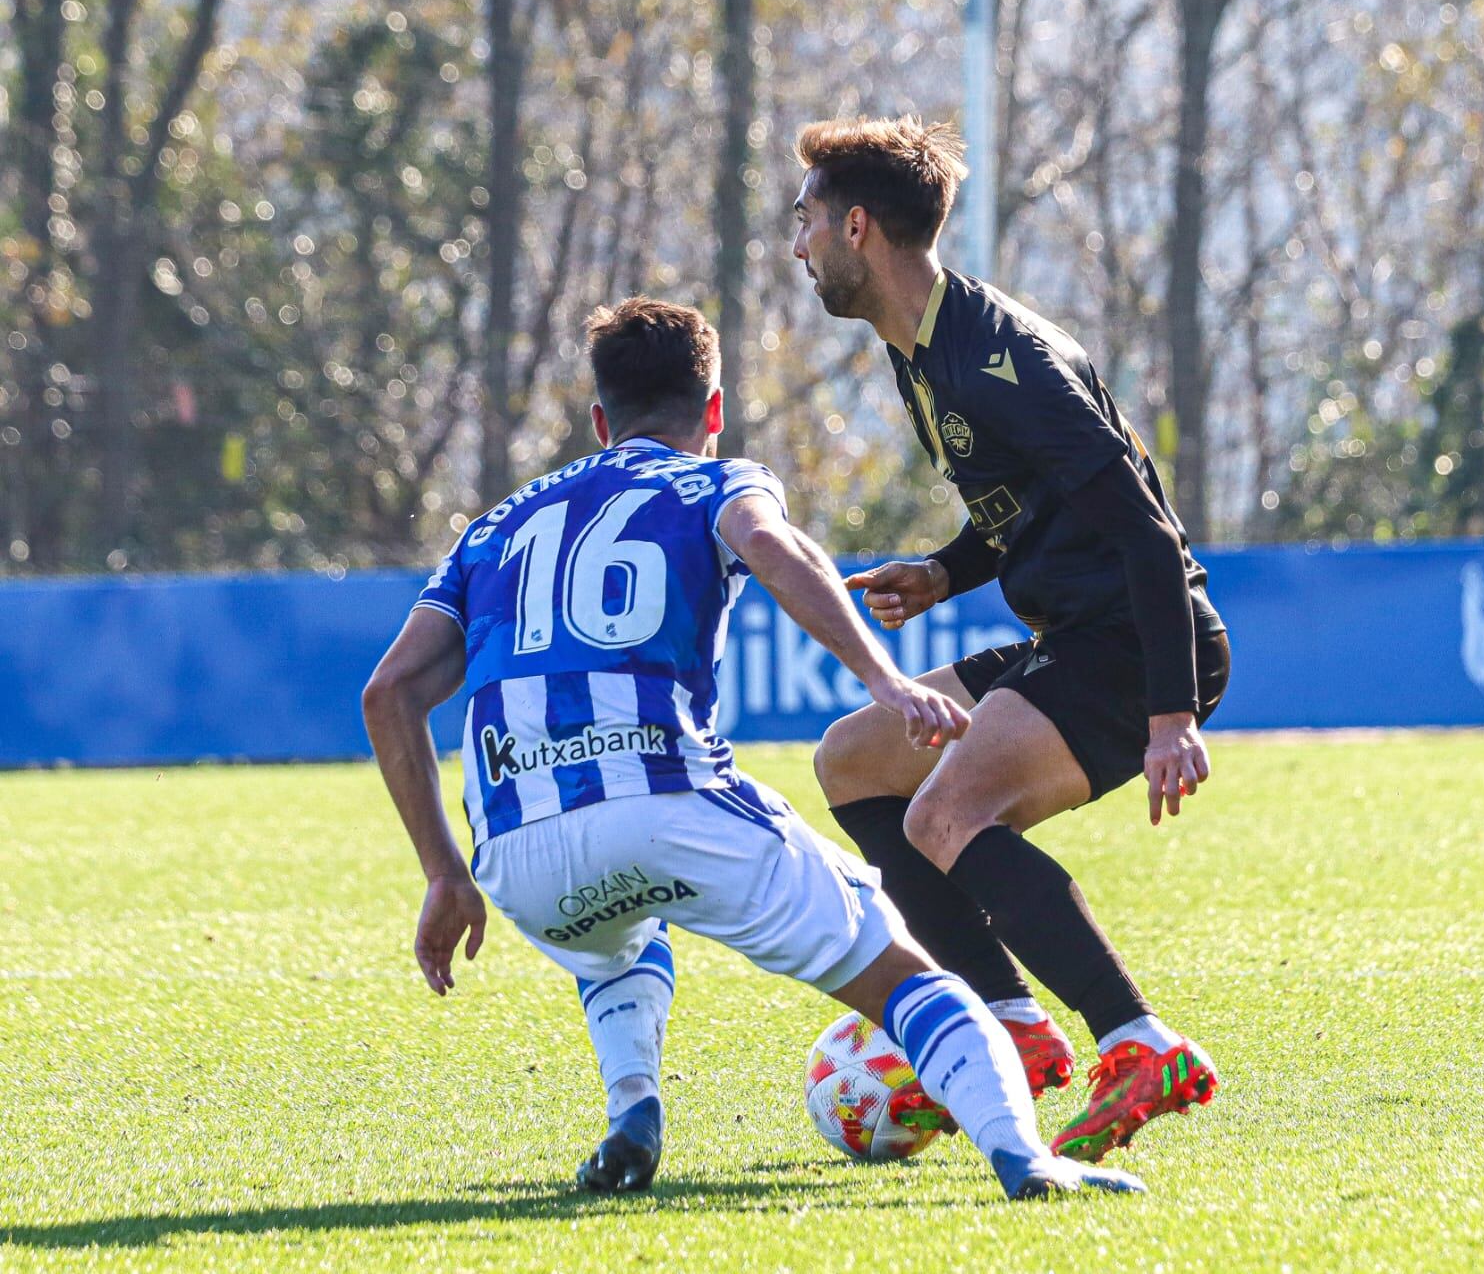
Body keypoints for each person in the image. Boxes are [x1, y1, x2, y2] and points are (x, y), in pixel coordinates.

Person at [361, 297, 1144, 1199]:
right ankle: (1025, 1156)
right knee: (915, 981)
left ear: (600, 419)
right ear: (715, 408)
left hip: (517, 853)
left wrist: (443, 874)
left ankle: (633, 1117)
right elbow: (772, 548)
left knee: (613, 943)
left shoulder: (492, 527)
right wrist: (887, 683)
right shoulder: (715, 480)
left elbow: (390, 693)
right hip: (667, 802)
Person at [791, 116, 1230, 1163]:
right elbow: (1029, 506)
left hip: (1132, 640)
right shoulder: (925, 352)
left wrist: (1171, 713)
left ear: (857, 227)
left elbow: (1145, 531)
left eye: (803, 222)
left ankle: (1135, 1039)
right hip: (1074, 632)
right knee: (854, 758)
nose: (796, 246)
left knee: (948, 810)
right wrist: (946, 570)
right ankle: (1014, 1026)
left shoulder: (1002, 360)